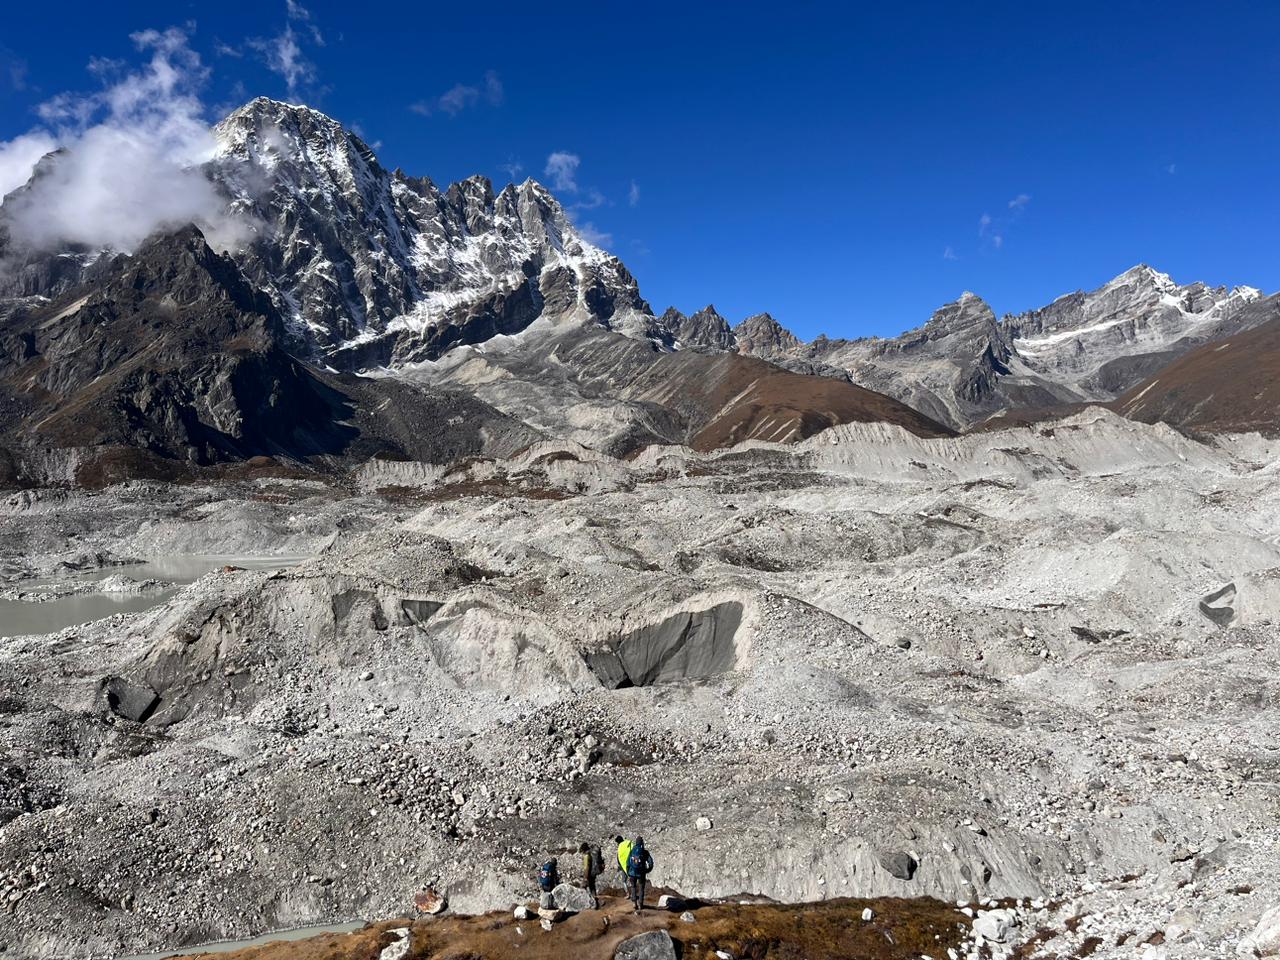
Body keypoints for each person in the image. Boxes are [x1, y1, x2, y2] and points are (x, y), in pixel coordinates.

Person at [625, 836, 654, 913]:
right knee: (641, 888)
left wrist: (628, 871)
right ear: (642, 843)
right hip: (641, 873)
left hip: (632, 872)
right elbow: (650, 863)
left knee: (633, 887)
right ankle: (640, 904)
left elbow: (628, 862)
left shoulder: (632, 851)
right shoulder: (645, 852)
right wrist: (648, 870)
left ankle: (634, 903)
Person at [615, 835, 633, 900]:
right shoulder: (628, 844)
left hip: (624, 866)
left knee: (624, 881)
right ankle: (633, 893)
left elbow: (619, 859)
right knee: (632, 880)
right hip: (631, 865)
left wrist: (620, 866)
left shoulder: (620, 847)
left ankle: (628, 894)